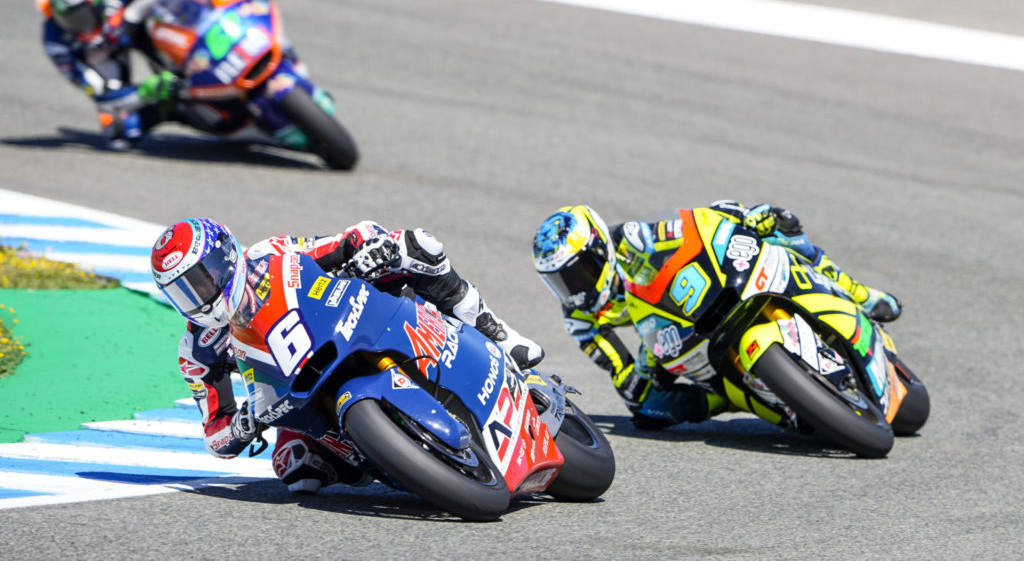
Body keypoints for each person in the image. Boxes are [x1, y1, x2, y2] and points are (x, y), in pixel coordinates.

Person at [152, 217, 543, 494]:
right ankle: (388, 457)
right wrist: (242, 424)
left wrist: (370, 249)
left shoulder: (269, 254)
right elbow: (214, 436)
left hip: (348, 320)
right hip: (295, 391)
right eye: (183, 292)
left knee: (416, 245)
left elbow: (349, 239)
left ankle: (495, 331)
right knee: (295, 466)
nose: (198, 297)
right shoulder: (197, 350)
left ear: (225, 258)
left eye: (200, 280)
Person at [531, 201, 902, 431]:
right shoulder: (580, 318)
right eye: (560, 281)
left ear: (600, 248)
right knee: (646, 411)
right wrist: (646, 369)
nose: (573, 288)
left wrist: (743, 217)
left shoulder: (632, 240)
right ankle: (741, 397)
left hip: (698, 295)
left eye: (577, 272)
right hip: (670, 337)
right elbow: (624, 378)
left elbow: (700, 224)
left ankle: (860, 295)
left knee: (781, 232)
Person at [35, 0, 279, 149]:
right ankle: (191, 111)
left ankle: (216, 52)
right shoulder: (58, 42)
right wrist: (147, 90)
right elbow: (100, 94)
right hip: (105, 57)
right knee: (120, 130)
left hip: (147, 28)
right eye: (67, 19)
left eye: (80, 16)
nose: (78, 26)